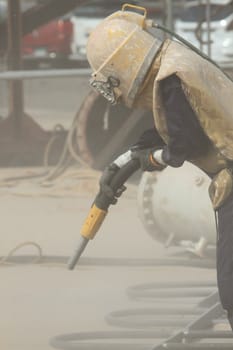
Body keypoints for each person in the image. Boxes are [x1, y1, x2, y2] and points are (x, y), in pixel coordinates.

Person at [85, 4, 233, 329]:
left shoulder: (169, 78)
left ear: (123, 64)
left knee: (232, 287)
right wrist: (139, 149)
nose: (117, 88)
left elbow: (186, 145)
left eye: (113, 80)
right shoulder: (175, 62)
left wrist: (152, 159)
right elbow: (180, 122)